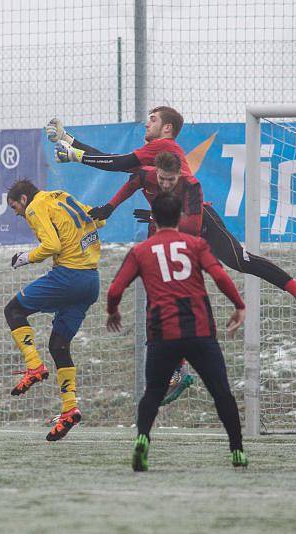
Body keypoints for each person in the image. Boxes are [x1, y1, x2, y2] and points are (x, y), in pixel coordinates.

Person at [49, 107, 296, 320]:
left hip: (199, 218)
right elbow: (119, 165)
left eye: (152, 119)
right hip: (172, 227)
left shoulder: (163, 146)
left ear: (167, 128)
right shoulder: (152, 155)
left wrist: (75, 155)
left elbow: (118, 163)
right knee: (167, 288)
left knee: (239, 260)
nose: (147, 123)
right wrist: (68, 139)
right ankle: (177, 367)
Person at [106, 193, 248, 471]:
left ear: (154, 219)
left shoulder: (141, 250)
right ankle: (237, 451)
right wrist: (239, 306)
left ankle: (143, 439)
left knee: (154, 392)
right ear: (181, 218)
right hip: (200, 332)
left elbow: (114, 290)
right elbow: (219, 276)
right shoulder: (195, 244)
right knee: (222, 393)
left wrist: (113, 310)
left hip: (162, 334)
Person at [4, 179, 104, 441]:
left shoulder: (35, 207)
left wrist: (24, 258)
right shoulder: (62, 195)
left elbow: (52, 247)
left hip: (69, 276)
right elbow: (98, 219)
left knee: (13, 310)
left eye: (15, 207)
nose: (17, 213)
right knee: (59, 345)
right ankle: (69, 409)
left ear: (23, 199)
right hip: (91, 281)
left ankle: (34, 366)